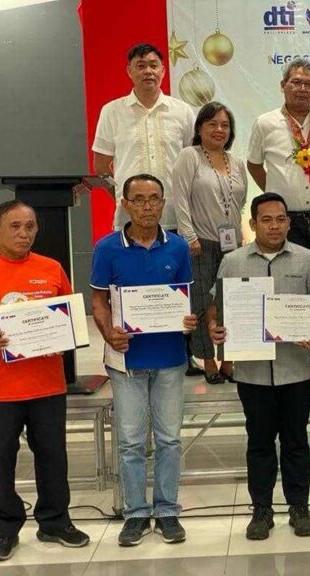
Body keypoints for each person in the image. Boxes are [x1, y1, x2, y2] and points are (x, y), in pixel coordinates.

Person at [0, 200, 90, 562]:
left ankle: (55, 522)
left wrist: (64, 336)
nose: (24, 234)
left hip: (47, 386)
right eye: (14, 226)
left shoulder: (51, 269)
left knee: (53, 458)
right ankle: (3, 529)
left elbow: (70, 318)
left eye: (30, 226)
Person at [209, 193, 310, 541]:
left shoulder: (308, 259)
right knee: (259, 444)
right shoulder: (233, 262)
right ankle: (261, 510)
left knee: (297, 442)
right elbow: (217, 309)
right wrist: (215, 329)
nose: (274, 226)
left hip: (296, 371)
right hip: (253, 374)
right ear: (253, 224)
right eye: (266, 220)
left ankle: (299, 507)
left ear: (289, 223)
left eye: (280, 219)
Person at [90, 174, 196, 546]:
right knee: (131, 442)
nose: (147, 206)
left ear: (163, 203)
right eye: (138, 199)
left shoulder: (178, 247)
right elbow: (98, 301)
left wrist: (187, 320)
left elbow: (184, 299)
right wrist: (108, 333)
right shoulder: (106, 248)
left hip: (170, 358)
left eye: (154, 199)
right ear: (125, 204)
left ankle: (166, 510)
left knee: (169, 439)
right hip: (126, 360)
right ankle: (135, 513)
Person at [92, 42, 199, 377]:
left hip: (174, 214)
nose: (148, 71)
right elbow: (100, 165)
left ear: (163, 71)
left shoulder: (183, 112)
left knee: (174, 285)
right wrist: (129, 200)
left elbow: (192, 162)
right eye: (141, 65)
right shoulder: (112, 111)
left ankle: (182, 355)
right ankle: (126, 349)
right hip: (130, 219)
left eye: (154, 65)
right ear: (129, 71)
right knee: (129, 285)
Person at [247, 58, 310, 370]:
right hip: (288, 219)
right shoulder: (265, 123)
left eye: (308, 84)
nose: (302, 88)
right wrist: (277, 197)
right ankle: (291, 341)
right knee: (290, 280)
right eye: (296, 82)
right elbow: (254, 164)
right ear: (283, 86)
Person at [173, 102, 247, 384]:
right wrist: (189, 236)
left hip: (232, 245)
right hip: (199, 242)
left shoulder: (236, 162)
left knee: (230, 301)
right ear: (200, 128)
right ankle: (208, 362)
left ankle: (228, 360)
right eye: (212, 124)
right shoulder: (189, 156)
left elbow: (240, 203)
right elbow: (180, 199)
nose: (219, 130)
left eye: (225, 125)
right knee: (203, 302)